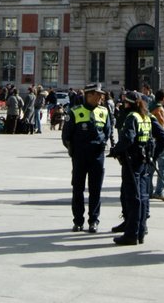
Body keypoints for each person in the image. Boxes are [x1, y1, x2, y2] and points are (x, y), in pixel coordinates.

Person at [109, 91, 164, 245]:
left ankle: (131, 234)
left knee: (133, 198)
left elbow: (128, 138)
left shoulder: (132, 117)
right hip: (144, 162)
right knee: (142, 197)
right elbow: (163, 137)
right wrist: (153, 156)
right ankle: (140, 232)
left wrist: (115, 150)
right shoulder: (147, 117)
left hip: (132, 162)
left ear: (129, 104)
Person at [62, 83, 112, 233]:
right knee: (78, 189)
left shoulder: (103, 111)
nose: (101, 98)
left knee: (95, 190)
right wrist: (74, 151)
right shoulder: (75, 112)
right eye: (98, 95)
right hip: (80, 156)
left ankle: (93, 220)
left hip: (97, 156)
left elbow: (107, 131)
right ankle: (78, 221)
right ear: (89, 95)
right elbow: (66, 136)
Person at [149, 90, 164, 201]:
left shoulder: (149, 107)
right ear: (163, 98)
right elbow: (162, 126)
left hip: (151, 141)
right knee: (163, 168)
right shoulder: (160, 109)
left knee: (151, 167)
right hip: (160, 142)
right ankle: (160, 191)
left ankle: (148, 190)